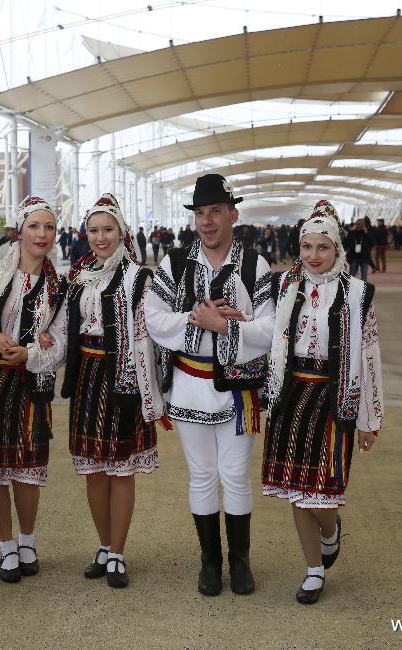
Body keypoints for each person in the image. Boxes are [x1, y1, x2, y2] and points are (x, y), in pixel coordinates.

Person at [144, 173, 275, 597]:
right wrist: (198, 320)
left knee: (235, 475)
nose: (206, 222)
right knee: (201, 475)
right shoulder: (174, 263)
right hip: (190, 384)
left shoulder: (255, 265)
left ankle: (240, 562)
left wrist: (225, 328)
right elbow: (154, 318)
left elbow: (272, 328)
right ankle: (210, 562)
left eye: (215, 211)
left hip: (240, 390)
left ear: (233, 214)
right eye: (200, 213)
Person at [29, 193, 165, 589]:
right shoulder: (79, 275)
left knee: (121, 469)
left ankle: (118, 552)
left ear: (122, 232)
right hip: (87, 376)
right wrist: (44, 345)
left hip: (122, 379)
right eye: (93, 230)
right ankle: (103, 547)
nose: (100, 237)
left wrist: (153, 390)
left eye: (107, 230)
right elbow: (63, 327)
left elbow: (150, 336)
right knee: (93, 469)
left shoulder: (139, 277)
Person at [262, 199, 383, 605]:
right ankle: (313, 570)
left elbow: (369, 358)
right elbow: (269, 336)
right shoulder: (285, 286)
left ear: (337, 250)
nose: (314, 256)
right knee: (298, 489)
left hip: (334, 398)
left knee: (325, 489)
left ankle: (331, 530)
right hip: (292, 394)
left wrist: (369, 418)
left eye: (323, 248)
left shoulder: (358, 294)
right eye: (307, 247)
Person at [0, 197, 67, 583]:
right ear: (20, 229)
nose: (42, 234)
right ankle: (5, 546)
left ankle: (28, 540)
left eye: (48, 227)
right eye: (34, 226)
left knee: (28, 467)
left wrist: (29, 353)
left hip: (32, 384)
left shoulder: (60, 286)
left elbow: (62, 339)